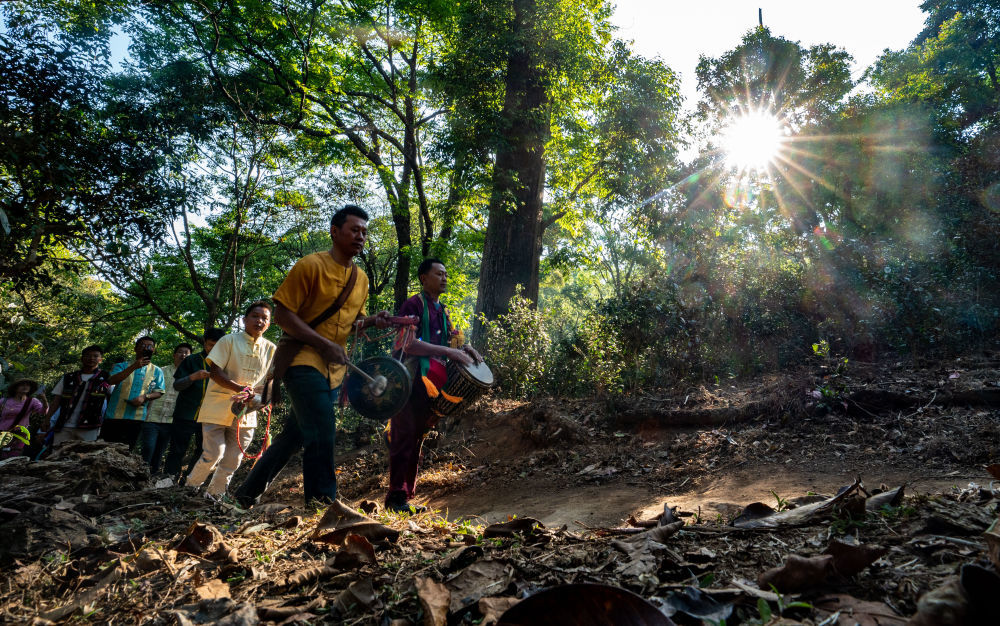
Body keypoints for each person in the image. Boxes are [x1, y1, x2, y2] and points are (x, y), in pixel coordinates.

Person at [234, 204, 389, 507]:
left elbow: (353, 324)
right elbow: (282, 315)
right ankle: (322, 504)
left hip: (333, 369)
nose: (360, 236)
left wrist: (373, 321)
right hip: (301, 361)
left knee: (294, 436)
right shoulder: (310, 265)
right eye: (354, 230)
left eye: (364, 232)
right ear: (335, 231)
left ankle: (244, 496)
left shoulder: (361, 279)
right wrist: (323, 344)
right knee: (322, 428)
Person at [385, 258, 482, 513]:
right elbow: (408, 344)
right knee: (404, 435)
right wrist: (448, 353)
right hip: (406, 380)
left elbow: (451, 341)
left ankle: (405, 496)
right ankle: (395, 497)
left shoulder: (443, 310)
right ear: (423, 278)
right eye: (438, 274)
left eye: (446, 274)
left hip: (429, 384)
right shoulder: (413, 304)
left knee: (416, 437)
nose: (444, 278)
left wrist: (465, 348)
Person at [184, 302, 276, 500]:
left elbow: (271, 380)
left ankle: (214, 496)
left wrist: (264, 400)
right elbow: (215, 373)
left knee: (233, 459)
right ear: (244, 320)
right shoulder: (228, 341)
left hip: (247, 413)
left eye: (264, 318)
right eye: (255, 316)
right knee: (213, 454)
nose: (259, 321)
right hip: (217, 406)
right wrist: (240, 389)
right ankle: (189, 489)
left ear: (269, 323)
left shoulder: (271, 349)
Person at [164, 329, 226, 479]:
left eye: (218, 346)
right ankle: (168, 480)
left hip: (210, 416)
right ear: (205, 343)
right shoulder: (192, 360)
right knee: (177, 449)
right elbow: (177, 385)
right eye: (211, 345)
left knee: (203, 451)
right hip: (185, 413)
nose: (214, 349)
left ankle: (189, 482)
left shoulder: (226, 363)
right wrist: (193, 377)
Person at [100, 337, 165, 449]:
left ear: (153, 350)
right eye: (143, 345)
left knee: (126, 452)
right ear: (135, 349)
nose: (146, 348)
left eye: (150, 346)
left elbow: (159, 392)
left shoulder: (157, 371)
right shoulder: (121, 366)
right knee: (105, 449)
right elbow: (111, 381)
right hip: (114, 416)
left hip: (136, 418)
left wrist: (145, 397)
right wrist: (134, 366)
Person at [139, 343, 192, 474]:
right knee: (148, 448)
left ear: (190, 357)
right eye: (180, 352)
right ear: (174, 355)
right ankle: (139, 474)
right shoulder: (161, 371)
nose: (183, 355)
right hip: (152, 417)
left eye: (186, 353)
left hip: (171, 421)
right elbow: (148, 389)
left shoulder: (191, 377)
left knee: (159, 452)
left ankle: (152, 477)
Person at [44, 346, 113, 447]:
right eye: (88, 355)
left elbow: (113, 398)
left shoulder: (106, 378)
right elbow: (56, 401)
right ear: (82, 358)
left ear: (100, 360)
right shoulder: (68, 378)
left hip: (90, 425)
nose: (91, 358)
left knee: (84, 456)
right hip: (64, 424)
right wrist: (47, 419)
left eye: (95, 356)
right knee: (57, 454)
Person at [0, 378, 47, 459]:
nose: (25, 386)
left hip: (19, 433)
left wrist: (44, 399)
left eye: (27, 385)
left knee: (13, 457)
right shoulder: (4, 401)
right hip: (2, 433)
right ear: (15, 388)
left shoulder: (32, 401)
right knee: (2, 456)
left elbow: (43, 412)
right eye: (22, 385)